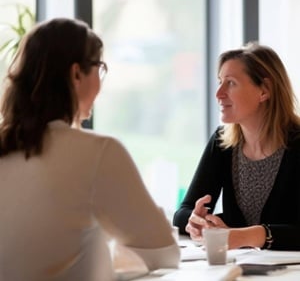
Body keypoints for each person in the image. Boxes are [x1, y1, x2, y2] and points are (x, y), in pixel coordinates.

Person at [0, 18, 180, 281]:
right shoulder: (99, 152)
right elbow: (165, 254)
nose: (101, 81)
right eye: (99, 67)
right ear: (76, 74)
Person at [173, 42, 300, 251]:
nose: (219, 93)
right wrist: (199, 222)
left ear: (264, 91)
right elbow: (183, 213)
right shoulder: (222, 142)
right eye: (220, 82)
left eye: (231, 83)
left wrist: (244, 236)